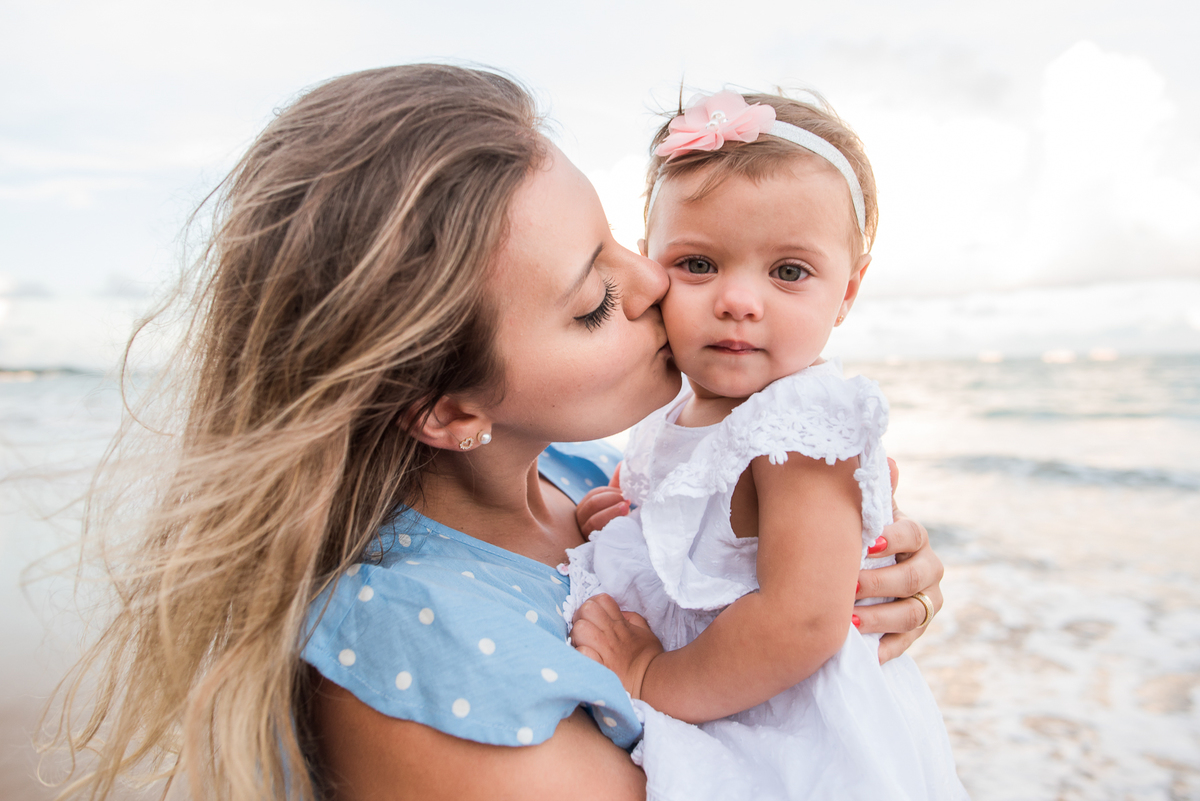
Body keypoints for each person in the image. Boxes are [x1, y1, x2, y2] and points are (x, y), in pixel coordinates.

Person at [45, 66, 946, 801]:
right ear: (448, 410)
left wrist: (864, 580)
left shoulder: (575, 470)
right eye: (596, 301)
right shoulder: (413, 643)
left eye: (618, 244)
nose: (656, 286)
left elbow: (778, 592)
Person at [561, 90, 966, 799]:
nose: (739, 300)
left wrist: (654, 676)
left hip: (798, 732)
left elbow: (803, 617)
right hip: (730, 696)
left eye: (788, 272)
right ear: (651, 261)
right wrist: (637, 524)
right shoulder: (682, 412)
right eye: (698, 264)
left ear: (848, 291)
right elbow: (710, 533)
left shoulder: (803, 422)